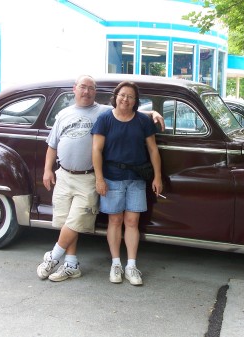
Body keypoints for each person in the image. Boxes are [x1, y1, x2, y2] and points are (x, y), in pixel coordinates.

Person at [36, 75, 164, 282]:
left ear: (96, 92)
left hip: (89, 176)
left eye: (91, 88)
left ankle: (53, 257)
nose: (86, 91)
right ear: (74, 89)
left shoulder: (103, 111)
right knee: (66, 222)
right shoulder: (64, 114)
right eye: (83, 87)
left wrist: (153, 112)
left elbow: (128, 110)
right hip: (64, 173)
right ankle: (71, 263)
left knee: (77, 221)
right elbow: (52, 144)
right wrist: (47, 169)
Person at [91, 81, 163, 286]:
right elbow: (96, 150)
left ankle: (131, 265)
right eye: (122, 95)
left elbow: (153, 150)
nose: (125, 99)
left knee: (132, 222)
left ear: (135, 101)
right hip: (111, 177)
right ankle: (116, 264)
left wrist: (157, 176)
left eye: (130, 96)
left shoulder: (142, 120)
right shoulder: (105, 119)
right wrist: (99, 178)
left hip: (136, 179)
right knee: (115, 221)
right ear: (116, 96)